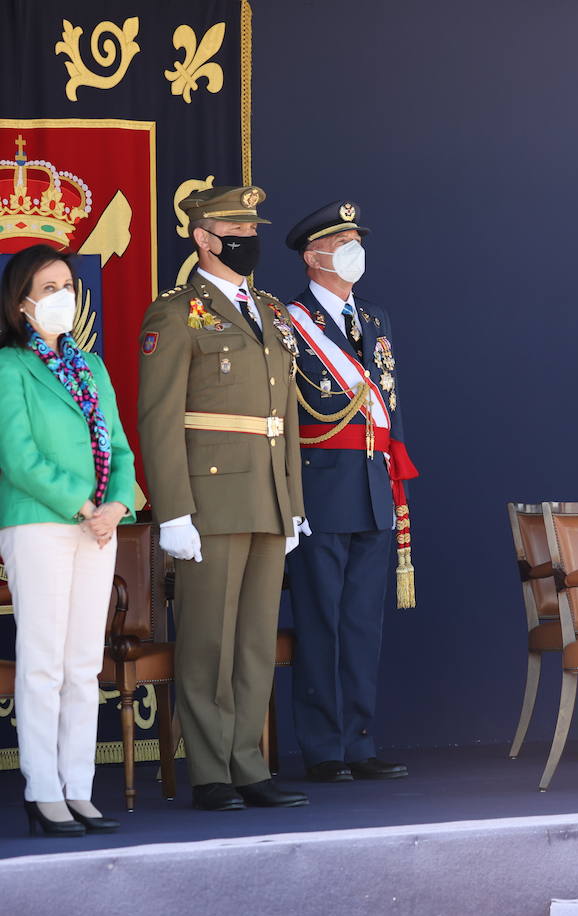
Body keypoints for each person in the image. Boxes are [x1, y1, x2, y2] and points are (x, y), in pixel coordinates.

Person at [138, 185, 309, 811]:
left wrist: (292, 500)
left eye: (250, 226)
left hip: (266, 496)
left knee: (254, 640)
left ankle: (248, 763)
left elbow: (284, 414)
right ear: (202, 238)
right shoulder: (176, 312)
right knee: (208, 640)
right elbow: (159, 420)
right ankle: (210, 771)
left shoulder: (271, 310)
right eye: (233, 228)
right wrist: (174, 509)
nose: (246, 237)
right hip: (209, 500)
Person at [281, 200, 418, 783]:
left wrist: (393, 481)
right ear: (313, 256)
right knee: (321, 623)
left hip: (371, 488)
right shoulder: (289, 322)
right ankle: (323, 748)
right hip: (319, 489)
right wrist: (290, 500)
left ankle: (360, 742)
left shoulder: (377, 319)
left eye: (356, 239)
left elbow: (388, 408)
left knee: (363, 622)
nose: (352, 250)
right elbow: (282, 417)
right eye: (340, 241)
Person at [0, 244, 132, 836]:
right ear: (21, 302)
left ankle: (78, 787)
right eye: (48, 288)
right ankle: (42, 789)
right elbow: (18, 458)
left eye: (68, 286)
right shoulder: (9, 367)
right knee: (42, 664)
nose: (62, 298)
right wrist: (83, 504)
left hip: (97, 528)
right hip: (39, 522)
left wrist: (117, 506)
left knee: (83, 664)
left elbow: (123, 451)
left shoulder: (92, 368)